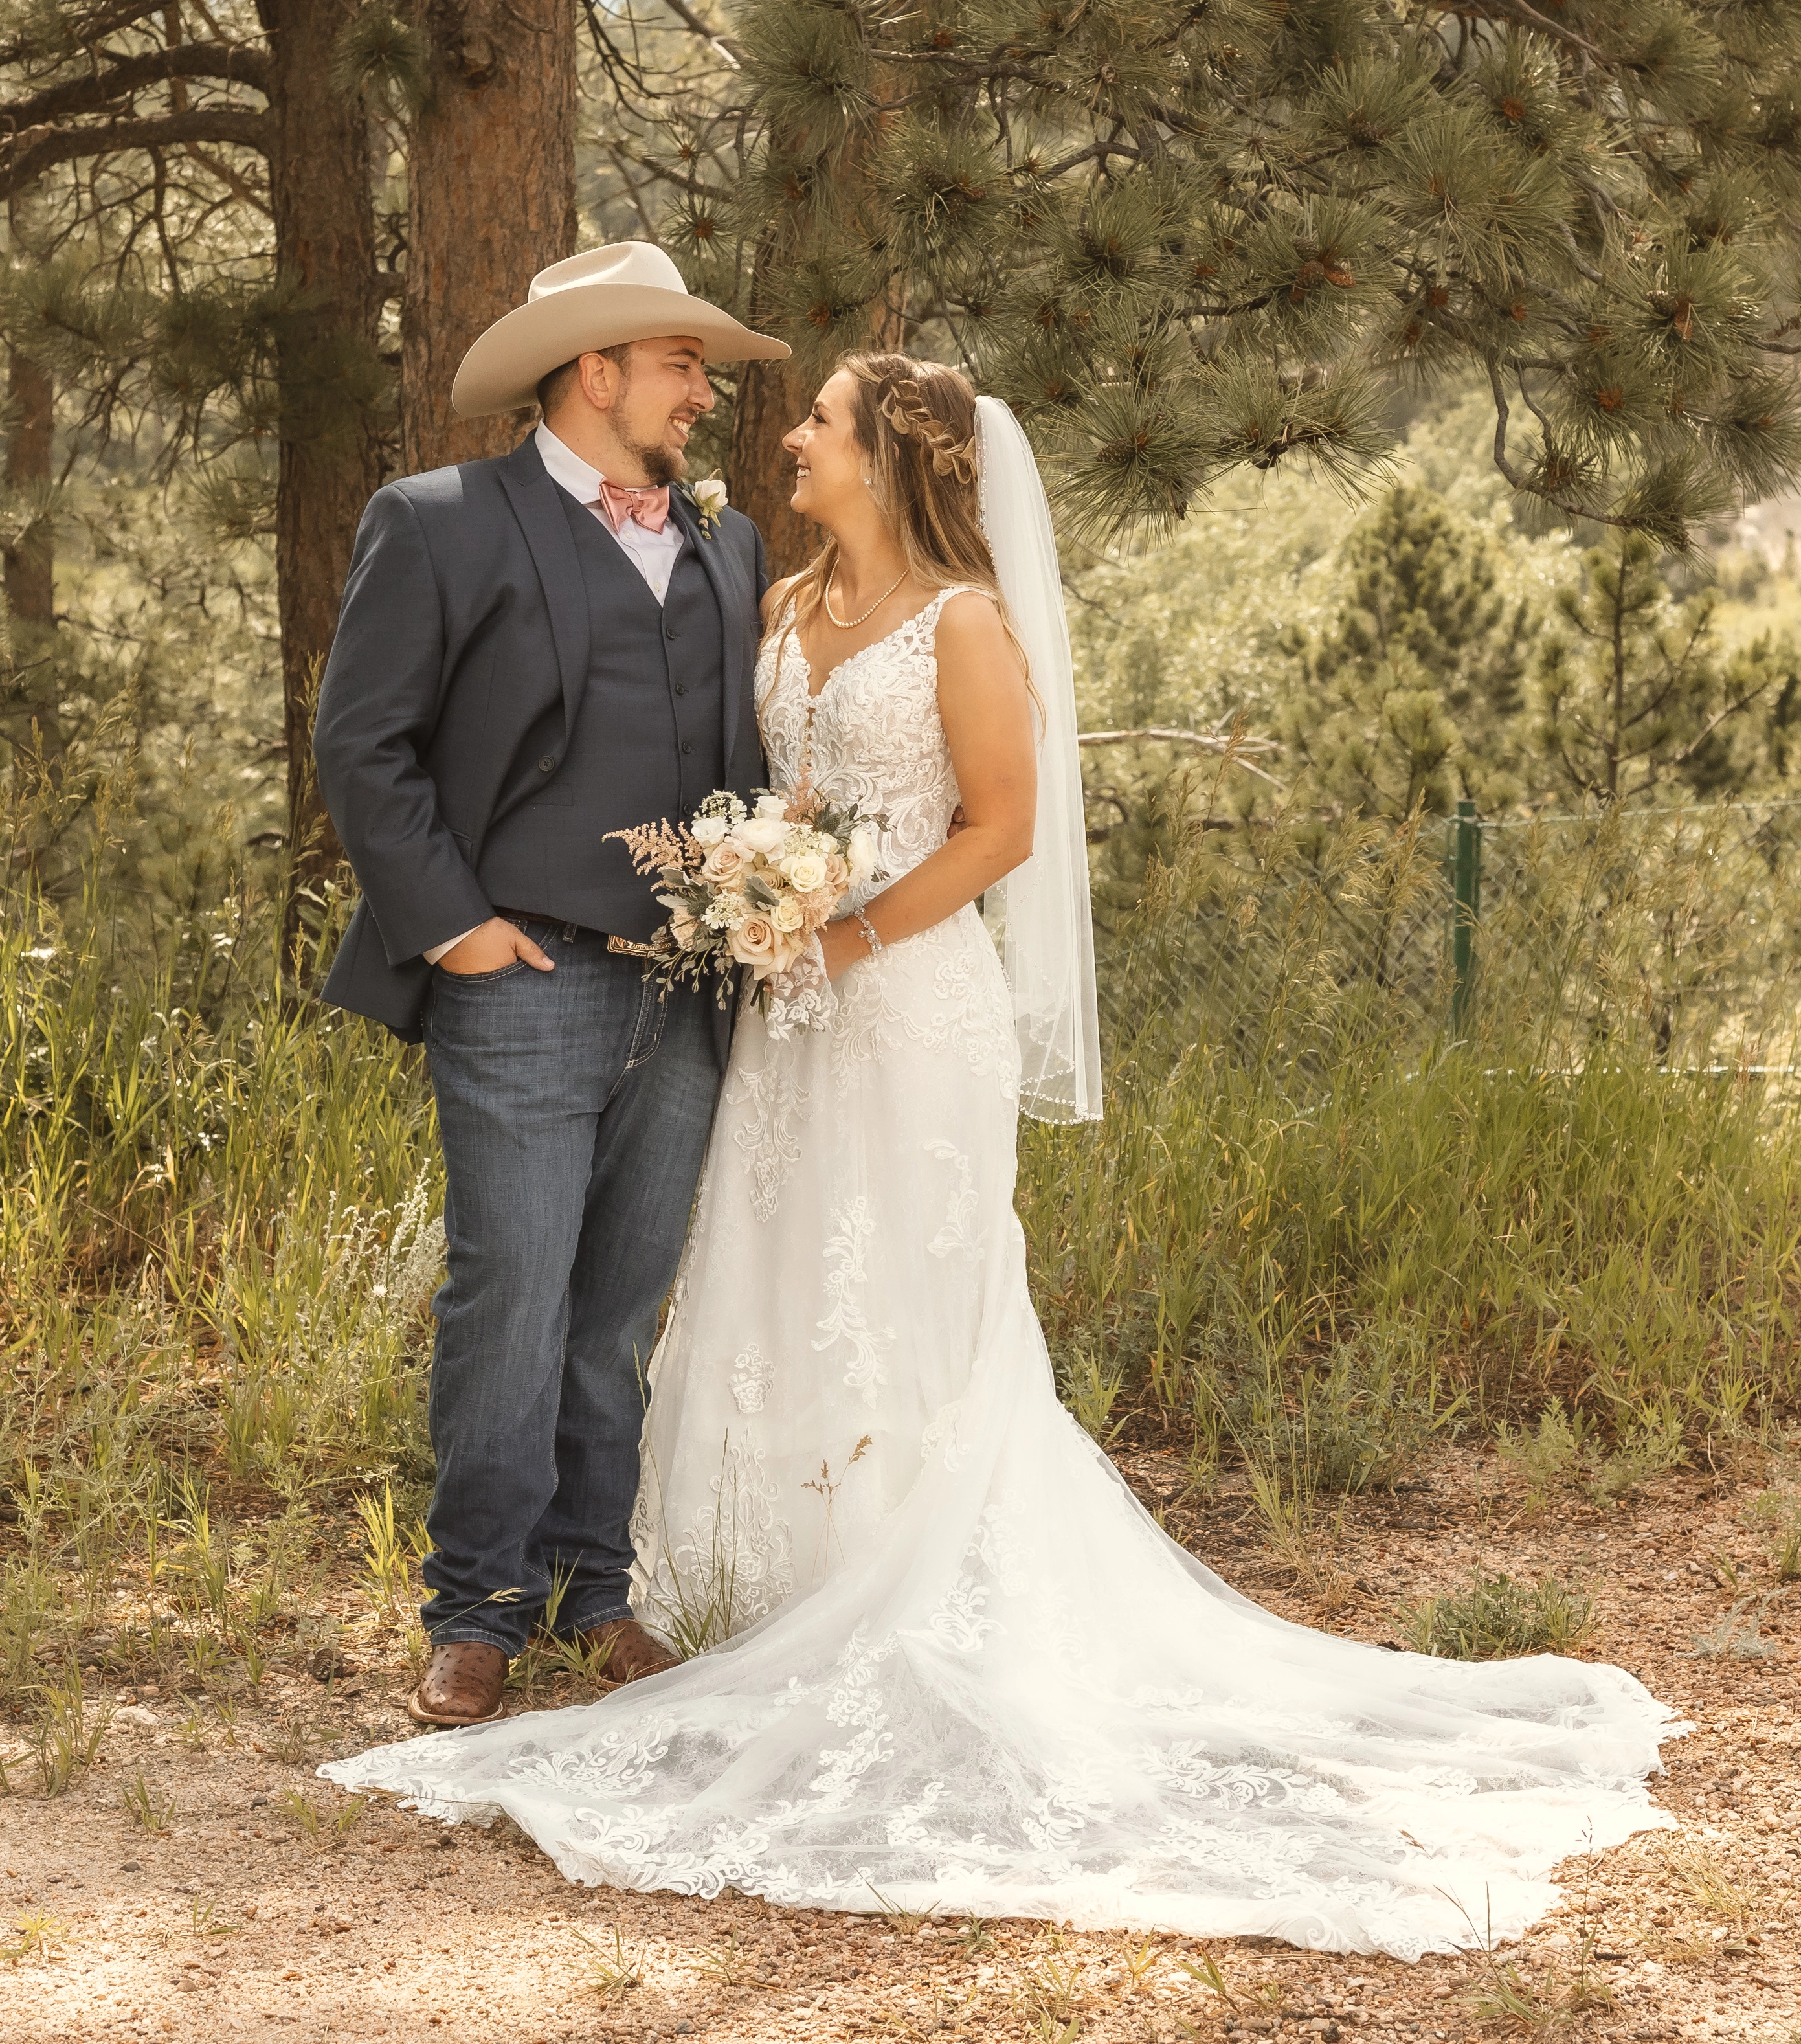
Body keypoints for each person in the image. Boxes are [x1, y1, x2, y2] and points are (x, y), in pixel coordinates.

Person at [322, 352, 1683, 1954]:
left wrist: (833, 933)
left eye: (812, 418)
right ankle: (518, 1610)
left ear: (889, 455)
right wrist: (662, 915)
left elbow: (1001, 823)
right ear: (601, 368)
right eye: (710, 375)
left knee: (741, 1295)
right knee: (645, 1284)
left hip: (871, 1005)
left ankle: (672, 1590)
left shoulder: (863, 591)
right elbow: (526, 757)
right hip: (711, 997)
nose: (767, 425)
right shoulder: (741, 577)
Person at [311, 243, 789, 1728]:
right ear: (598, 374)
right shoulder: (443, 522)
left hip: (689, 988)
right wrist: (454, 929)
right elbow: (361, 743)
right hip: (519, 976)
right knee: (509, 1294)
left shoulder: (732, 540)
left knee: (618, 1307)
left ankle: (594, 1595)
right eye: (682, 366)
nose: (705, 397)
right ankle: (475, 1612)